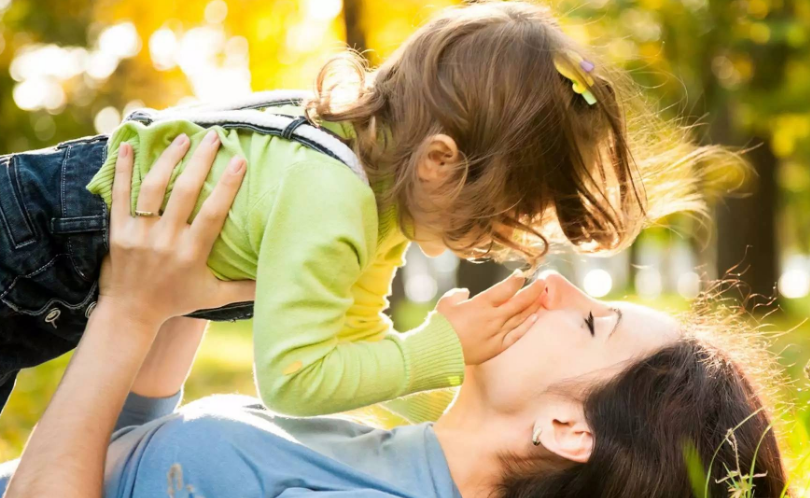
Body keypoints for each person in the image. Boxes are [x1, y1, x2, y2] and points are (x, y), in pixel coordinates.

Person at [0, 1, 724, 421]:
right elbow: (294, 378)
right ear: (440, 160)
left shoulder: (376, 190)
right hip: (19, 252)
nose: (489, 239)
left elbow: (352, 334)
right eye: (499, 211)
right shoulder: (334, 198)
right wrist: (443, 349)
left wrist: (423, 411)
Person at [0, 136, 788, 498]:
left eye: (593, 323)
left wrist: (128, 313)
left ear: (565, 431)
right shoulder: (368, 446)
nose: (552, 285)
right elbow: (136, 466)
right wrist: (187, 295)